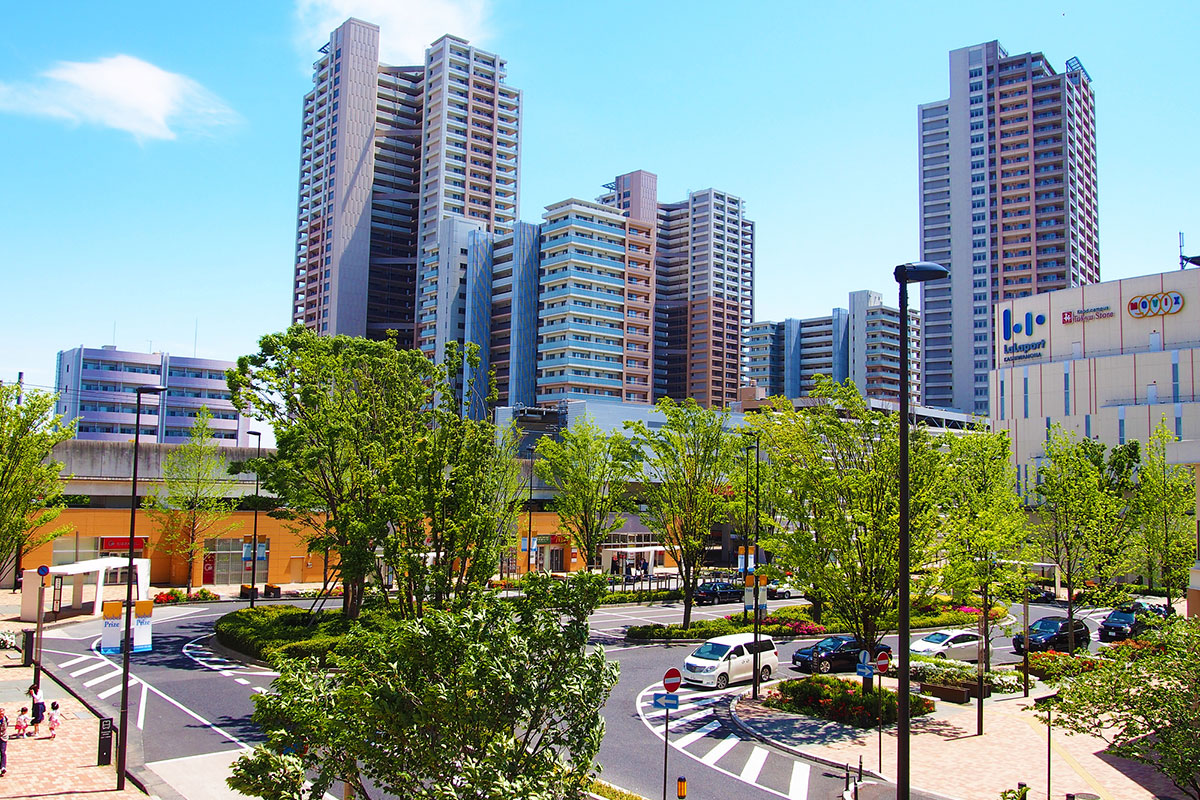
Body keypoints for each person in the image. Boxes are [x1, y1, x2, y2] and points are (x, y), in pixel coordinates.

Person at [0, 707, 8, 776]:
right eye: (0, 714)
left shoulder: (5, 719)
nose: (2, 715)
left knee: (3, 752)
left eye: (3, 714)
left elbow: (5, 727)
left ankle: (3, 767)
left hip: (3, 737)